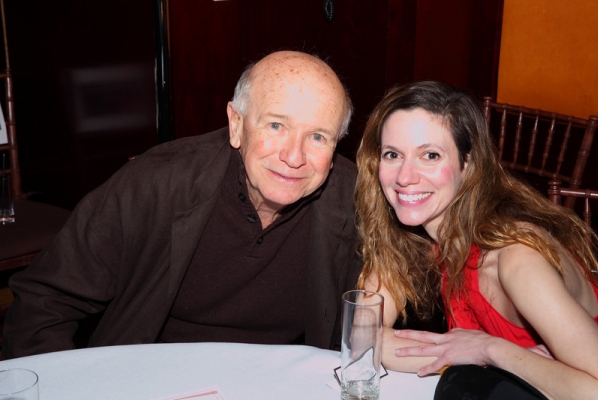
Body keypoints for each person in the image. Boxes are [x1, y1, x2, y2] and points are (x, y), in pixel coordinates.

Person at [3, 51, 362, 358]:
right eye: (275, 125)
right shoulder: (157, 183)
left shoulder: (356, 200)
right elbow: (43, 302)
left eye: (317, 136)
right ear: (236, 125)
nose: (294, 156)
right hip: (155, 380)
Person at [354, 80, 598, 399]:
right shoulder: (415, 237)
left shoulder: (516, 259)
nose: (404, 176)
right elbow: (363, 336)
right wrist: (480, 358)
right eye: (392, 154)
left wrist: (492, 351)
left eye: (430, 155)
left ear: (466, 166)